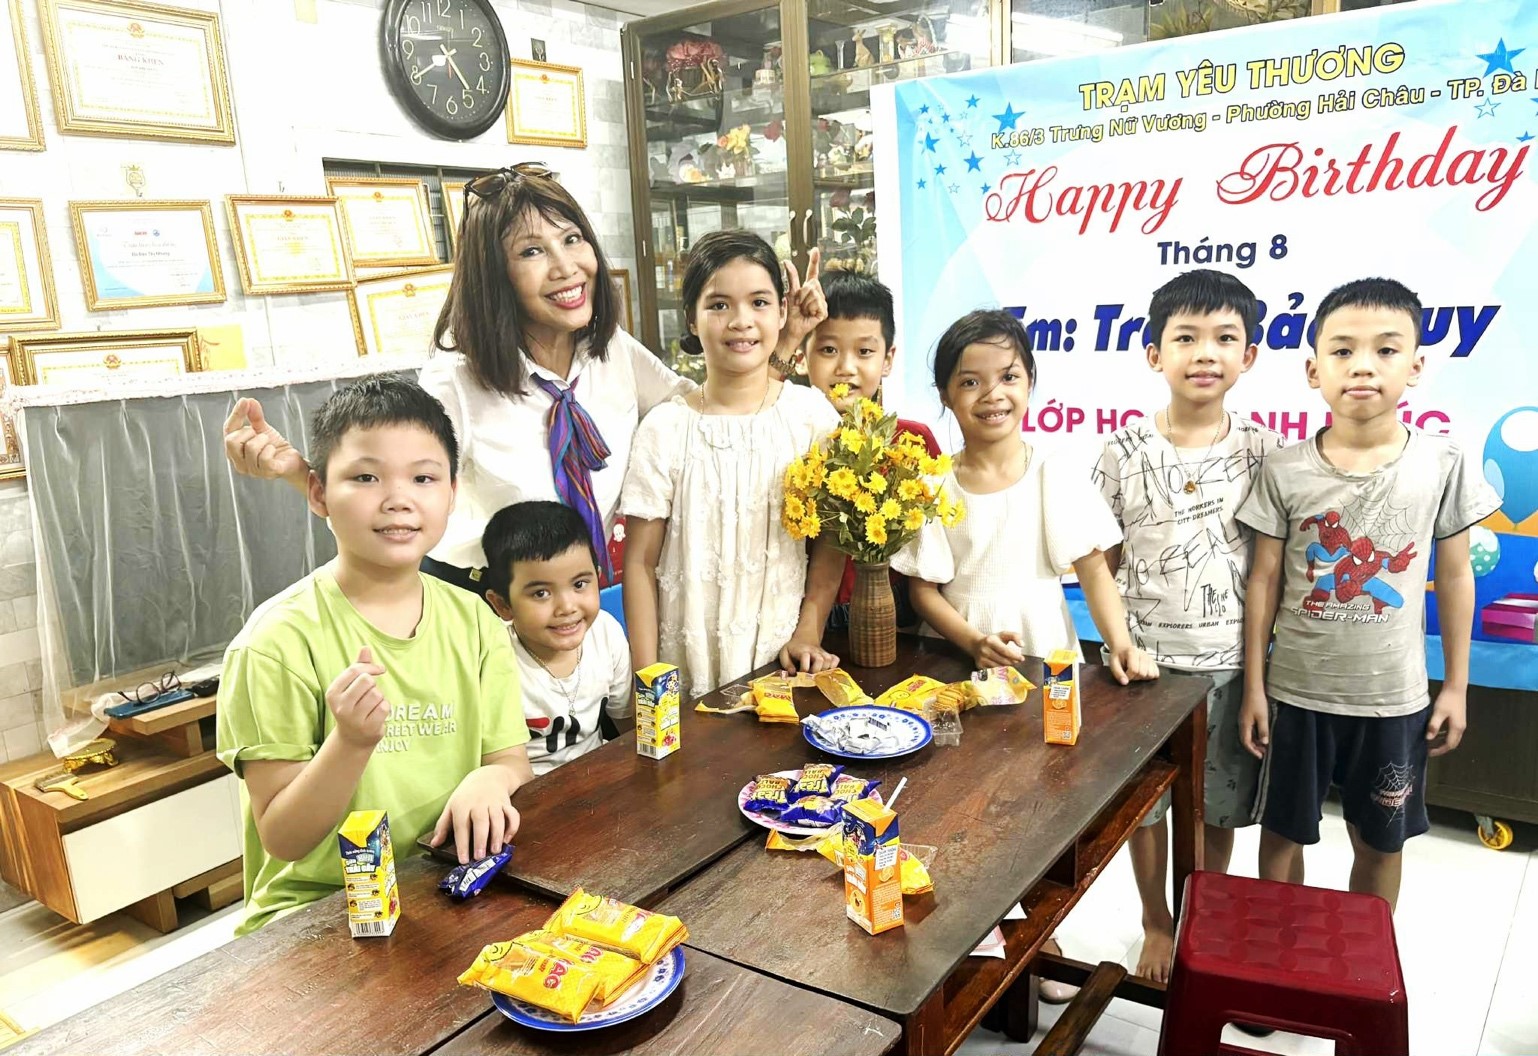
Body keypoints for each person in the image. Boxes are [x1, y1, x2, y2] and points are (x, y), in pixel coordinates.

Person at [221, 163, 823, 591]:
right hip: (486, 600)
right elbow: (397, 491)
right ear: (495, 275)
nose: (566, 267)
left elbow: (709, 414)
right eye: (532, 252)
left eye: (572, 240)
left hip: (589, 599)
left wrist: (787, 340)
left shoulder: (612, 351)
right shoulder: (456, 380)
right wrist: (295, 471)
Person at [215, 376, 534, 935]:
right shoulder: (274, 644)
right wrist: (350, 743)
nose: (398, 499)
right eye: (366, 477)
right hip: (320, 912)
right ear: (318, 493)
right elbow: (284, 839)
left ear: (451, 493)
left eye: (423, 478)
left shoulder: (476, 622)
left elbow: (511, 761)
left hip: (446, 881)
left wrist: (491, 779)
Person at [1237, 278, 1500, 911]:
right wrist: (1254, 687)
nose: (1362, 366)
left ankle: (1363, 959)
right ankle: (1277, 951)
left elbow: (1455, 578)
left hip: (1393, 702)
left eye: (1385, 349)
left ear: (1416, 366)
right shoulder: (1283, 468)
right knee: (1281, 835)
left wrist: (1456, 687)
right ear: (1313, 370)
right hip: (1295, 694)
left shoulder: (1442, 462)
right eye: (1342, 350)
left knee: (1381, 844)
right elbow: (1264, 579)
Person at [1092, 270, 1284, 982]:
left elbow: (1272, 570)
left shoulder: (1266, 453)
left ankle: (1201, 915)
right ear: (1154, 354)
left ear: (1249, 355)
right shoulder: (1122, 451)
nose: (1206, 353)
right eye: (1186, 338)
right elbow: (1102, 562)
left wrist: (1260, 674)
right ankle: (1156, 921)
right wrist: (1117, 645)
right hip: (1143, 669)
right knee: (1144, 811)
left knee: (1216, 807)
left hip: (1231, 667)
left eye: (1225, 338)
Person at [621, 230, 845, 698]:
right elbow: (639, 563)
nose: (741, 321)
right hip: (685, 666)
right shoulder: (665, 428)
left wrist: (809, 631)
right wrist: (650, 688)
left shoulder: (810, 417)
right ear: (691, 317)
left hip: (781, 659)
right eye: (719, 305)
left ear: (782, 312)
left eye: (759, 302)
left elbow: (830, 540)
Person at [893, 309, 1159, 680]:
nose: (992, 394)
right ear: (945, 395)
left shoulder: (1055, 470)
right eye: (970, 382)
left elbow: (1094, 571)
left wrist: (1121, 645)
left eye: (1008, 377)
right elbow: (923, 592)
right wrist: (975, 643)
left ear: (1029, 381)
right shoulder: (933, 484)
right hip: (956, 656)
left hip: (1045, 650)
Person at [801, 269, 940, 628]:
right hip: (805, 620)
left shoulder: (913, 443)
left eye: (864, 351)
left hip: (899, 614)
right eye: (828, 350)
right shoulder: (791, 442)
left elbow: (937, 551)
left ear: (888, 358)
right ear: (802, 355)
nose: (846, 368)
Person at [481, 500, 631, 776]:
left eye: (579, 584)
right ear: (502, 605)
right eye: (541, 593)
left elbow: (628, 726)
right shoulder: (493, 659)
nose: (567, 607)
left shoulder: (605, 632)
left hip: (599, 777)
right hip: (525, 789)